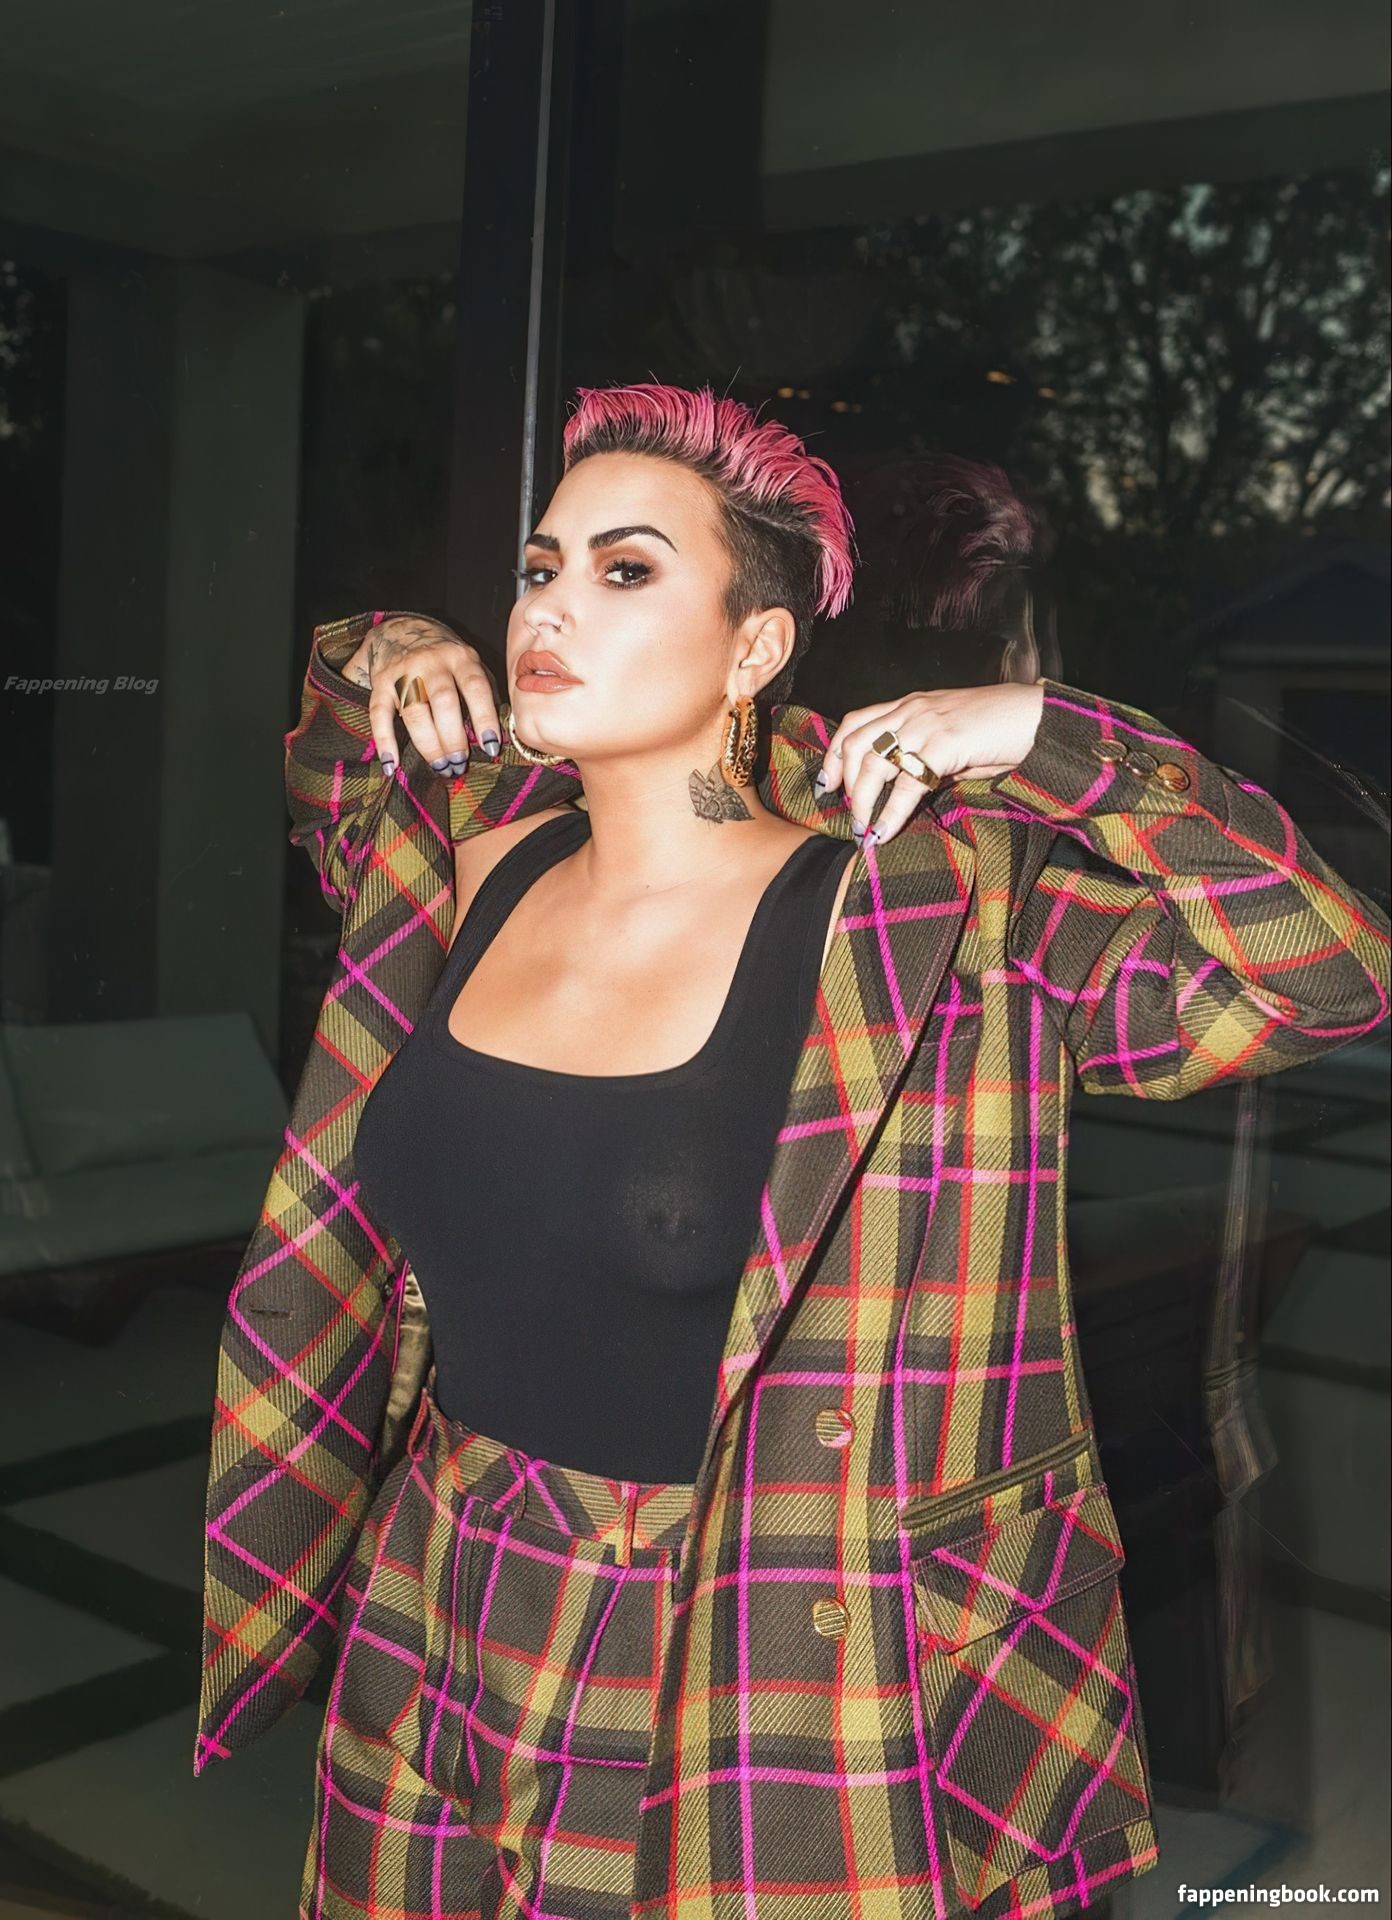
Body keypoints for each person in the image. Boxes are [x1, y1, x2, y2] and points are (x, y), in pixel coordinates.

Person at [195, 384, 1390, 1920]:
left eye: (626, 570)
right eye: (540, 568)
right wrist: (383, 649)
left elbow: (1328, 978)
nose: (549, 607)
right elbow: (329, 765)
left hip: (753, 1624)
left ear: (755, 648)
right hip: (435, 1578)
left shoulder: (933, 913)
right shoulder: (466, 849)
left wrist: (1056, 739)